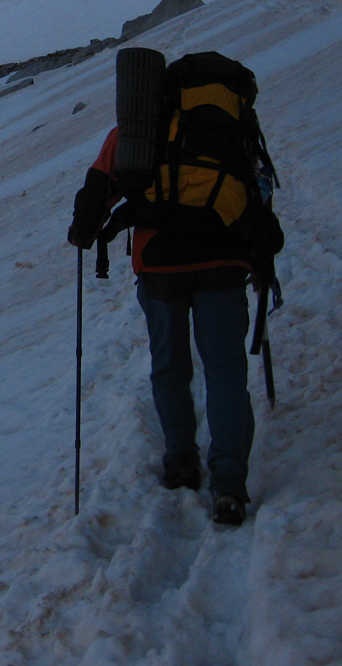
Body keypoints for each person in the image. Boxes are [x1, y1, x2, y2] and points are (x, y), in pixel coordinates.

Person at [68, 124, 267, 527]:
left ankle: (181, 461)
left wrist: (83, 232)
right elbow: (258, 185)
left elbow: (100, 186)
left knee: (169, 362)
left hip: (160, 262)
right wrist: (261, 250)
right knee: (225, 368)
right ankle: (228, 481)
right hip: (224, 256)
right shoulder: (229, 120)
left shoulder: (135, 127)